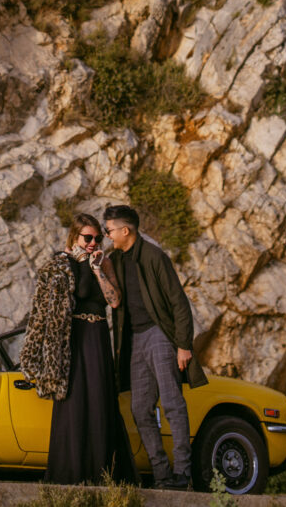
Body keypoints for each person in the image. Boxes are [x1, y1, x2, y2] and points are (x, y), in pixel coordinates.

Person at [20, 212, 139, 486]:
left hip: (97, 336)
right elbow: (46, 305)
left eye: (97, 238)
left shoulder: (104, 262)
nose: (93, 242)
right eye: (88, 237)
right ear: (75, 236)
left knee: (100, 401)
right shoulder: (62, 264)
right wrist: (74, 261)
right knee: (73, 403)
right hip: (72, 340)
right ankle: (70, 474)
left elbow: (115, 300)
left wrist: (97, 269)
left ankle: (102, 474)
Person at [103, 203, 206, 491]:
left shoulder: (153, 256)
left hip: (159, 334)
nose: (107, 235)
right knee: (140, 408)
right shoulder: (117, 259)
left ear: (126, 230)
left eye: (109, 230)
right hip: (133, 341)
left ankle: (183, 474)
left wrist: (183, 345)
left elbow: (179, 302)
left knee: (173, 403)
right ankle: (162, 474)